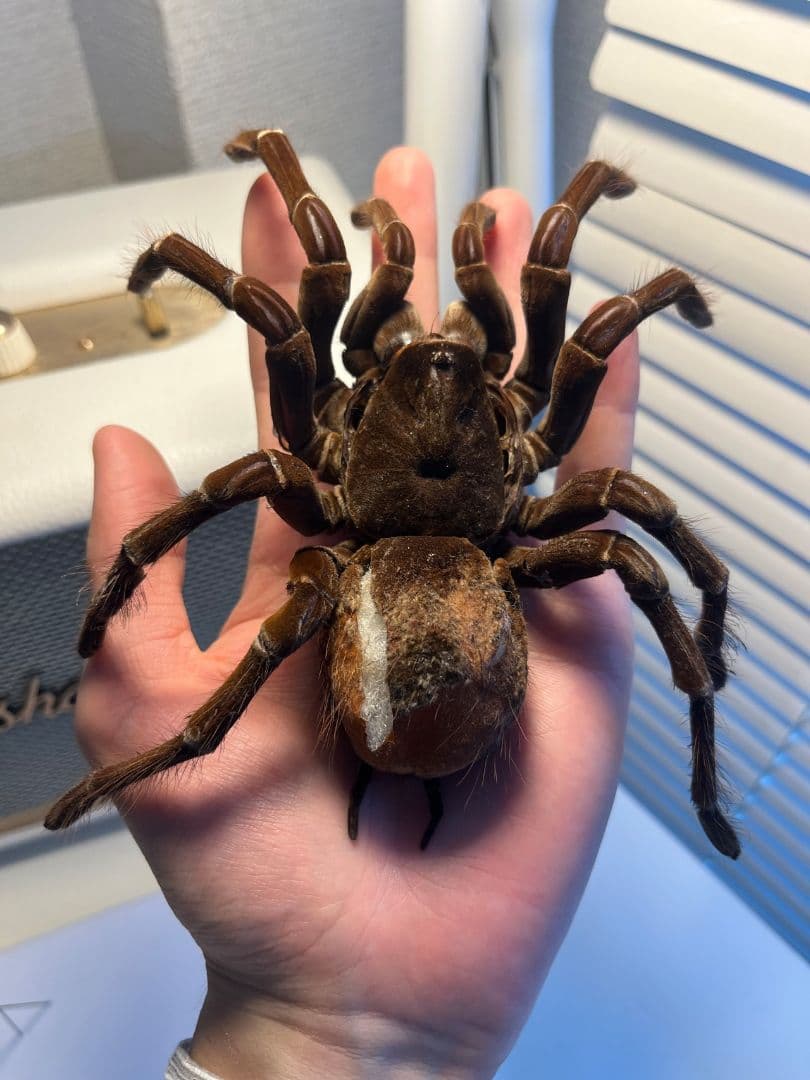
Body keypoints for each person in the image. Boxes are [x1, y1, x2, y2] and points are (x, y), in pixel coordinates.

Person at [75, 148, 639, 1079]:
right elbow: (643, 535)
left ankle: (187, 746)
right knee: (630, 533)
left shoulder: (317, 476)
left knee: (271, 375)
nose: (439, 361)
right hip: (446, 615)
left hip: (366, 591)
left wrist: (239, 191)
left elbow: (271, 330)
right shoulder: (529, 451)